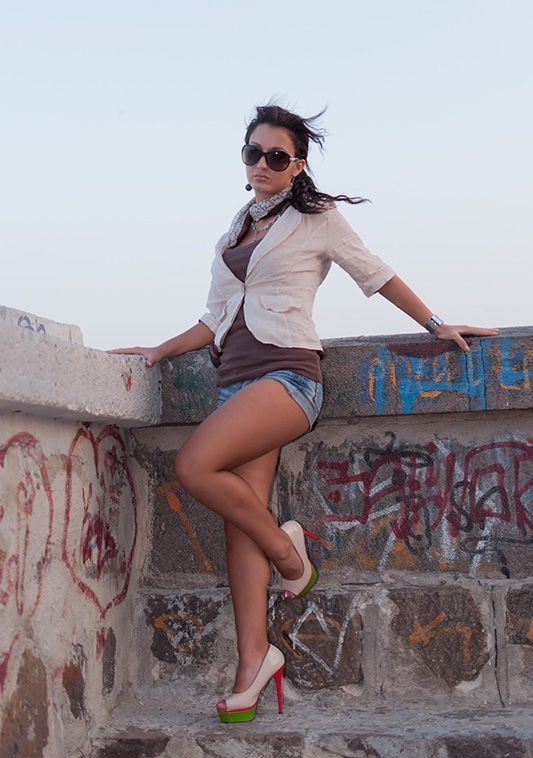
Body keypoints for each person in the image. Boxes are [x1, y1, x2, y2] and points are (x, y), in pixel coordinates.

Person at [109, 104, 498, 723]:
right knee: (240, 524)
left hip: (288, 377)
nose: (262, 164)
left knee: (194, 466)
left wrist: (436, 324)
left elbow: (375, 273)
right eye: (253, 153)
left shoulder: (317, 218)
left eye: (276, 156)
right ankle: (253, 662)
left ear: (297, 164)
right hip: (234, 384)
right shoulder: (236, 228)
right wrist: (157, 351)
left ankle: (292, 557)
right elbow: (214, 318)